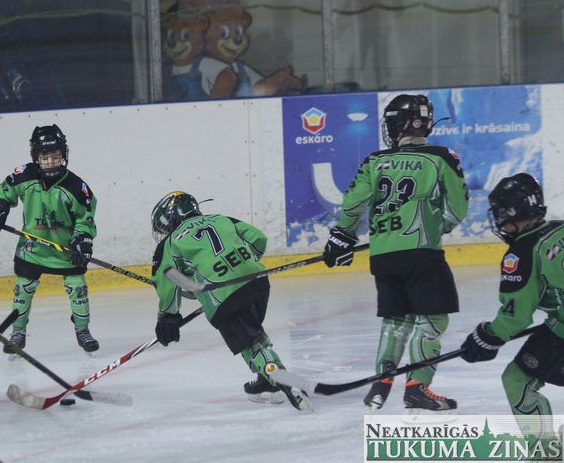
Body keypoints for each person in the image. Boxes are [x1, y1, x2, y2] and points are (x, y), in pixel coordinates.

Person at [323, 94, 469, 413]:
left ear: (400, 124)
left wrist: (344, 236)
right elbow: (457, 209)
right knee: (433, 318)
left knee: (396, 318)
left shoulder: (375, 161)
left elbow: (352, 204)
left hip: (383, 257)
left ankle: (382, 381)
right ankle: (417, 387)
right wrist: (438, 226)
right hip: (421, 253)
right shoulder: (441, 157)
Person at [150, 191, 313, 412]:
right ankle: (266, 379)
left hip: (223, 295)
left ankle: (283, 379)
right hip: (257, 282)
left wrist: (168, 317)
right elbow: (258, 238)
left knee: (251, 346)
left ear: (172, 217)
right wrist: (237, 265)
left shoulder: (169, 244)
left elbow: (166, 280)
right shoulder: (221, 219)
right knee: (254, 334)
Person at [0, 124, 99, 354]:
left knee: (77, 288)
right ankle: (18, 332)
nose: (51, 162)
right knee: (23, 289)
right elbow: (6, 189)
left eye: (55, 156)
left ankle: (83, 330)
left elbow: (85, 218)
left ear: (63, 154)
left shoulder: (76, 187)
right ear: (36, 157)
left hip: (65, 251)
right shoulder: (25, 175)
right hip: (31, 248)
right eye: (45, 157)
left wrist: (83, 239)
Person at [461, 173, 562, 440]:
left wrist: (488, 337)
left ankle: (545, 452)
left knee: (517, 379)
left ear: (514, 212)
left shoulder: (523, 251)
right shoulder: (559, 229)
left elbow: (516, 315)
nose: (500, 220)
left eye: (502, 213)